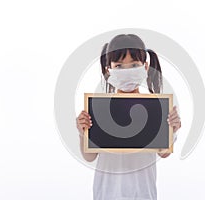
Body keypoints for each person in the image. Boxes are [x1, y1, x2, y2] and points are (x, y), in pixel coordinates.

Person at [76, 34, 181, 200]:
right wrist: (83, 133)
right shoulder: (99, 109)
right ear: (108, 70)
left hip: (143, 193)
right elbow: (90, 156)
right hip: (107, 193)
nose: (127, 71)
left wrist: (172, 129)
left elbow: (164, 153)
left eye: (134, 64)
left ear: (145, 67)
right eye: (118, 66)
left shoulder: (158, 108)